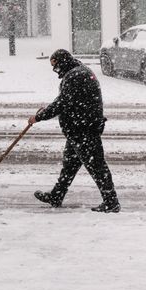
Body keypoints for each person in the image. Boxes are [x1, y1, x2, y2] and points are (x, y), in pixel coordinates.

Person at [28, 49, 120, 213]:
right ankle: (57, 195)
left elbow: (62, 103)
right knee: (70, 165)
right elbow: (64, 99)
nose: (56, 71)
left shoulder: (74, 76)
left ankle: (111, 202)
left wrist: (39, 117)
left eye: (56, 66)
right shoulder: (79, 71)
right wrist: (45, 110)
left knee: (97, 167)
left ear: (62, 62)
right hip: (81, 129)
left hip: (83, 130)